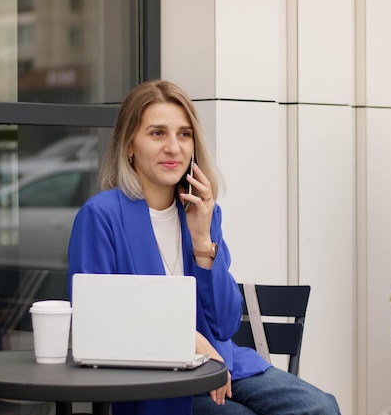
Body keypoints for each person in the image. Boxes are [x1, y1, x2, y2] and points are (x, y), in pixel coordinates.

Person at [67, 80, 341, 415]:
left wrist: (202, 243)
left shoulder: (202, 212)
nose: (174, 147)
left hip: (224, 363)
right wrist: (188, 340)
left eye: (184, 134)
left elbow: (226, 324)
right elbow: (97, 321)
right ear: (129, 145)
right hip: (154, 379)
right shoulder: (101, 216)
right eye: (157, 133)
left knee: (319, 407)